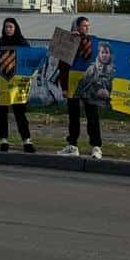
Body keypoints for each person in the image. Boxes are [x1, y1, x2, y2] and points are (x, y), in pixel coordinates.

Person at [57, 17, 99, 157]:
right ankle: (73, 146)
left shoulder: (93, 42)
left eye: (88, 25)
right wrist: (64, 87)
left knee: (92, 115)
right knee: (74, 116)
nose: (86, 28)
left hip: (90, 85)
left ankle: (96, 146)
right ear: (76, 26)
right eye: (83, 26)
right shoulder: (67, 41)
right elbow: (62, 67)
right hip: (72, 84)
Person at [0, 17, 36, 154]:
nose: (8, 29)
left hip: (18, 86)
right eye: (6, 27)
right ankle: (4, 140)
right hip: (2, 83)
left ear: (16, 28)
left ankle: (26, 141)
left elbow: (31, 60)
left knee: (20, 114)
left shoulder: (23, 44)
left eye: (11, 27)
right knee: (1, 114)